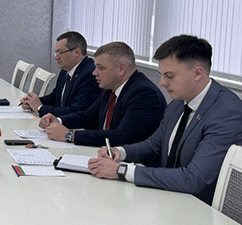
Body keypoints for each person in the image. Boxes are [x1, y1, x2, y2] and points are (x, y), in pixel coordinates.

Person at [88, 35, 242, 204]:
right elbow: (154, 145)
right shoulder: (178, 102)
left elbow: (193, 179)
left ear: (197, 73)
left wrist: (122, 171)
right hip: (171, 197)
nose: (162, 83)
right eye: (161, 75)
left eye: (169, 76)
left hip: (202, 208)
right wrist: (120, 152)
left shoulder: (228, 115)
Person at [38, 41, 166, 147]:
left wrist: (69, 135)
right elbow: (88, 116)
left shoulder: (144, 94)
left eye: (101, 68)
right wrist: (59, 120)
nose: (94, 73)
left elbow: (121, 137)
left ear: (122, 68)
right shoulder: (110, 87)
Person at [20, 31, 101, 116]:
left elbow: (76, 111)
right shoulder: (66, 69)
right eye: (56, 53)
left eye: (60, 53)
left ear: (77, 52)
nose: (56, 57)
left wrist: (40, 108)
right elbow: (55, 97)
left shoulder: (90, 75)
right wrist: (32, 102)